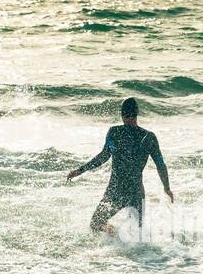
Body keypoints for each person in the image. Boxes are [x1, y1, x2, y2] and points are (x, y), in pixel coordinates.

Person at [66, 97, 172, 232]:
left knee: (96, 224)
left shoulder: (115, 132)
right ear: (137, 113)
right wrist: (167, 188)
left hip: (116, 190)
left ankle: (113, 236)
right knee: (136, 235)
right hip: (136, 193)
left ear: (121, 114)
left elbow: (103, 157)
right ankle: (125, 243)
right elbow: (160, 164)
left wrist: (81, 170)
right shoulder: (149, 137)